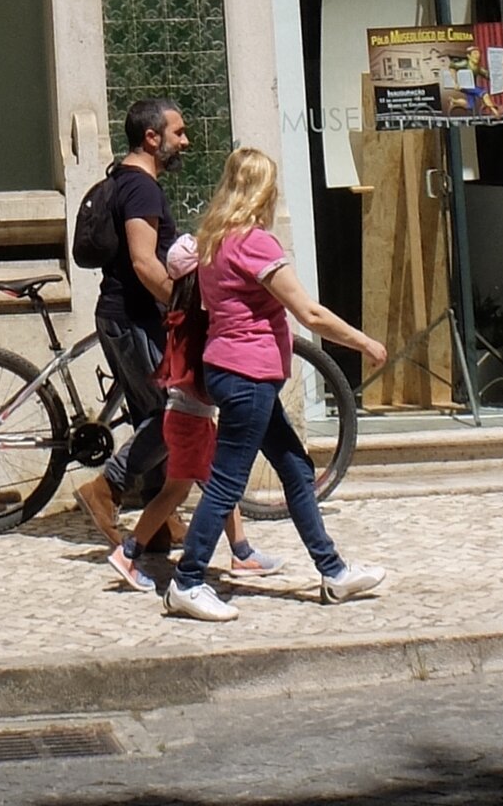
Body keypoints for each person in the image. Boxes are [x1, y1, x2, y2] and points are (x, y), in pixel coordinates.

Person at [164, 146, 389, 623]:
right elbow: (307, 312)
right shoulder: (255, 243)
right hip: (249, 377)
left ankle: (334, 572)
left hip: (229, 371)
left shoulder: (213, 242)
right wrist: (364, 342)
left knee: (296, 470)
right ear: (264, 191)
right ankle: (187, 581)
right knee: (226, 483)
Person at [97, 232, 279, 594]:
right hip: (190, 421)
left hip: (184, 419)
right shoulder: (199, 321)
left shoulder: (180, 316)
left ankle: (242, 552)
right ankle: (128, 552)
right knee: (178, 492)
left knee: (215, 485)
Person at [73, 95, 187, 540]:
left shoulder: (122, 180)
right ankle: (107, 488)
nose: (185, 141)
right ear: (151, 136)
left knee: (152, 415)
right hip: (136, 317)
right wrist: (183, 305)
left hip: (123, 316)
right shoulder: (141, 187)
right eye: (178, 133)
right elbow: (144, 262)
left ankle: (157, 520)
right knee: (172, 416)